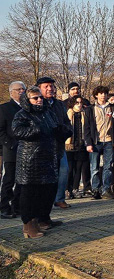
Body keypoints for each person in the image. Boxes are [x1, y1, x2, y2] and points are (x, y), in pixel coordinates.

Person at [14, 86, 70, 238]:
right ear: (28, 100)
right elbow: (17, 131)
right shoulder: (23, 114)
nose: (39, 100)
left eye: (40, 97)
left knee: (46, 191)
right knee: (30, 192)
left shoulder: (47, 112)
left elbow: (55, 128)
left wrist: (62, 131)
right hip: (30, 161)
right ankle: (28, 224)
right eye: (35, 98)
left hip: (47, 158)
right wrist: (36, 129)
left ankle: (42, 219)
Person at [36, 77, 72, 216]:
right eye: (46, 86)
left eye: (51, 86)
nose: (50, 89)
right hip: (43, 147)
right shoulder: (37, 103)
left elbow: (66, 122)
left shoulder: (59, 105)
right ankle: (44, 206)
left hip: (59, 145)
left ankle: (59, 199)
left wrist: (66, 132)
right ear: (39, 88)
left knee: (64, 171)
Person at [85, 86, 114, 201]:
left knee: (108, 166)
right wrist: (88, 143)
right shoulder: (90, 109)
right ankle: (95, 189)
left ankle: (106, 189)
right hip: (96, 141)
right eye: (100, 93)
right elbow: (87, 128)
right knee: (94, 167)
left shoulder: (112, 108)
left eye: (105, 93)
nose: (103, 95)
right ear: (96, 95)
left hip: (109, 140)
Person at [0, 81, 24, 219]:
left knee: (21, 180)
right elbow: (1, 130)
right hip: (11, 149)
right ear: (11, 92)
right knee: (9, 179)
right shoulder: (4, 108)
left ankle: (17, 206)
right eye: (18, 89)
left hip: (25, 150)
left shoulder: (28, 108)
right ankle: (4, 207)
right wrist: (10, 144)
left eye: (23, 89)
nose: (21, 91)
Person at [65, 96, 88, 198]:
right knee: (69, 169)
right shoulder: (69, 113)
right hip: (70, 144)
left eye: (80, 103)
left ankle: (75, 188)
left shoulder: (84, 113)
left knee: (78, 169)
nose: (79, 105)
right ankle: (67, 189)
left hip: (81, 144)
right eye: (77, 103)